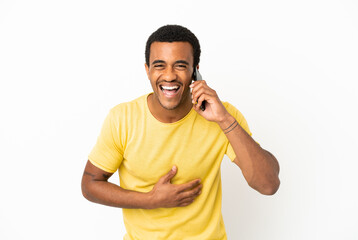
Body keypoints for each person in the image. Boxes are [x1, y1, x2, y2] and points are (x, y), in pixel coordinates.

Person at [81, 24, 280, 240]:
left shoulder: (222, 115)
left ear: (195, 70)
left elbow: (268, 184)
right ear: (147, 70)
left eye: (180, 65)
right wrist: (151, 200)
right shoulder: (122, 118)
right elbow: (90, 184)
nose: (169, 76)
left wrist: (224, 119)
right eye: (159, 65)